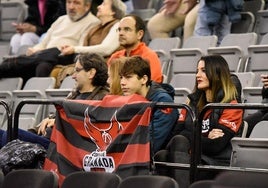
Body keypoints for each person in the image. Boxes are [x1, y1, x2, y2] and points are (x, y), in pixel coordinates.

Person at [0, 53, 110, 149]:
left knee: (12, 133)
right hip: (47, 137)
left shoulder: (102, 98)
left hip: (61, 146)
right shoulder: (74, 95)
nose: (73, 76)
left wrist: (59, 122)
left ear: (91, 73)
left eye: (77, 70)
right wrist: (35, 130)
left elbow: (91, 126)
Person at [0, 0, 100, 84]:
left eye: (76, 3)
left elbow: (81, 46)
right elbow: (44, 42)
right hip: (47, 56)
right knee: (43, 65)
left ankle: (12, 63)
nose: (71, 7)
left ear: (87, 6)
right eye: (68, 2)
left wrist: (67, 49)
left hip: (67, 54)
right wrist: (35, 49)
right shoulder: (61, 19)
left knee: (53, 52)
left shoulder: (93, 22)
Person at [38, 0, 127, 82]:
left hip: (102, 66)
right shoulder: (96, 27)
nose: (98, 7)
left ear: (113, 11)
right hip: (87, 63)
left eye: (103, 4)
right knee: (52, 68)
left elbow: (106, 49)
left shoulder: (117, 25)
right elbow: (82, 47)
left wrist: (74, 49)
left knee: (51, 59)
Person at [119, 56, 178, 153]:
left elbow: (153, 141)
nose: (122, 82)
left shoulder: (163, 101)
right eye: (121, 78)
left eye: (128, 77)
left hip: (155, 158)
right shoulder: (128, 99)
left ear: (144, 79)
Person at [107, 14, 163, 83]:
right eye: (119, 30)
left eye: (127, 29)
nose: (120, 33)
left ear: (140, 34)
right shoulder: (115, 57)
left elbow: (152, 86)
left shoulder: (149, 57)